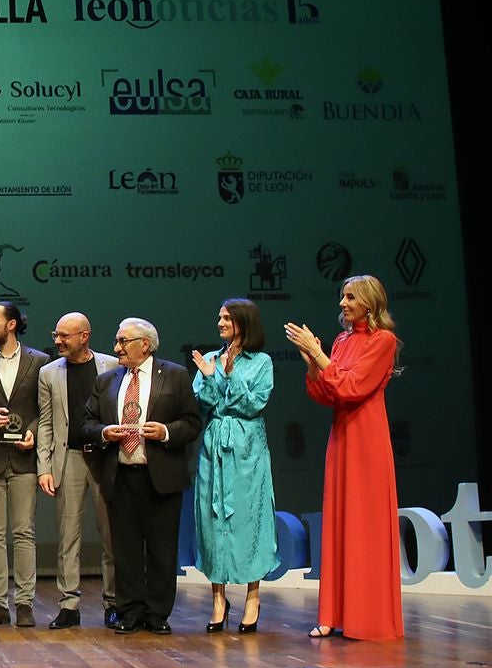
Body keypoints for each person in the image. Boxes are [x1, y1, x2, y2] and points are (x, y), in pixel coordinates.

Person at [284, 274, 404, 641]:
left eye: (349, 297)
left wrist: (321, 356)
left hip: (367, 439)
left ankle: (366, 618)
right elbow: (327, 394)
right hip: (342, 437)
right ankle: (333, 614)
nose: (342, 303)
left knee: (364, 524)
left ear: (368, 303)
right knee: (339, 521)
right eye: (342, 296)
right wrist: (312, 362)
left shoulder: (383, 341)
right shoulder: (341, 340)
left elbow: (353, 388)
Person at [81, 318, 202, 635]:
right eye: (117, 341)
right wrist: (105, 432)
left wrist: (165, 432)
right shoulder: (106, 381)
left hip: (160, 476)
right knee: (126, 550)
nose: (116, 347)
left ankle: (158, 613)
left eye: (123, 341)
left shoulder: (174, 375)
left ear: (144, 344)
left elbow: (191, 423)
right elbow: (86, 424)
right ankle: (130, 612)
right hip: (120, 475)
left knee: (162, 550)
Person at [191, 299, 278, 634]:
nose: (220, 322)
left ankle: (253, 598)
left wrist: (227, 376)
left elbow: (254, 404)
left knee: (249, 518)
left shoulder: (262, 362)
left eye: (226, 317)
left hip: (246, 450)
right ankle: (218, 599)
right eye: (219, 316)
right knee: (213, 520)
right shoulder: (210, 359)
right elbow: (203, 402)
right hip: (214, 448)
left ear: (243, 322)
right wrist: (211, 378)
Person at [36, 312, 120, 629]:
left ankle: (113, 602)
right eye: (56, 335)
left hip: (104, 457)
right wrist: (44, 466)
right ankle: (68, 605)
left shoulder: (112, 366)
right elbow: (45, 423)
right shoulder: (49, 373)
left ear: (84, 336)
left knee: (111, 534)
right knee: (67, 538)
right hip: (68, 458)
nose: (58, 341)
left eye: (64, 336)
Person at [0, 301, 49, 627]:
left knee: (23, 532)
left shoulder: (41, 363)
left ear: (12, 324)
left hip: (23, 458)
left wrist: (32, 432)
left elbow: (44, 410)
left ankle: (25, 603)